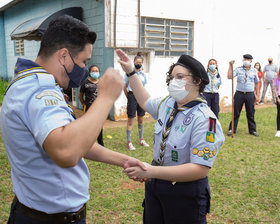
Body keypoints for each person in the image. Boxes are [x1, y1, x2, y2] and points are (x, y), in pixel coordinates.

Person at [0, 15, 146, 224]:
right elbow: (66, 151)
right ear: (64, 56)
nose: (85, 69)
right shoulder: (40, 89)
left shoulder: (28, 82)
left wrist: (123, 160)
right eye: (84, 61)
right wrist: (105, 97)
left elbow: (75, 141)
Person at [117, 49, 225, 224]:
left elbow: (200, 169)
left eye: (180, 77)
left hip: (185, 192)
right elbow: (144, 101)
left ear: (197, 81)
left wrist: (150, 171)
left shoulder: (205, 119)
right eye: (173, 77)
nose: (174, 82)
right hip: (156, 187)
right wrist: (131, 72)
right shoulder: (168, 103)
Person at [227, 54, 260, 137]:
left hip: (250, 94)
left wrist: (257, 94)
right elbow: (229, 76)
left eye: (248, 59)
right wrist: (230, 65)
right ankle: (232, 129)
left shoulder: (254, 71)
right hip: (239, 93)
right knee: (236, 112)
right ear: (242, 59)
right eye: (245, 59)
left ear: (251, 61)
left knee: (251, 112)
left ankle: (252, 130)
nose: (246, 60)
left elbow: (257, 83)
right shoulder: (238, 69)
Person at [123, 52, 149, 150]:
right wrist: (129, 96)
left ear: (142, 63)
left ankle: (141, 139)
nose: (138, 63)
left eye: (140, 62)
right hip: (132, 96)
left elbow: (143, 87)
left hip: (141, 97)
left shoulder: (143, 75)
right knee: (131, 119)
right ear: (133, 62)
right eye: (137, 62)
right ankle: (129, 142)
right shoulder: (128, 73)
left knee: (141, 119)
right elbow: (124, 86)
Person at [79, 64, 104, 146]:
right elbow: (80, 96)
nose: (95, 72)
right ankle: (88, 144)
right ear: (89, 73)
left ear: (99, 72)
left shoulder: (102, 82)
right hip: (89, 108)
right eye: (93, 71)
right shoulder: (85, 83)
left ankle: (101, 144)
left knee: (99, 126)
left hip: (99, 109)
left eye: (97, 71)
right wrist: (84, 104)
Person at [273, 70, 280, 137]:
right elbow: (275, 89)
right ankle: (278, 130)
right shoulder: (277, 77)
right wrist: (277, 98)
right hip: (279, 97)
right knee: (279, 114)